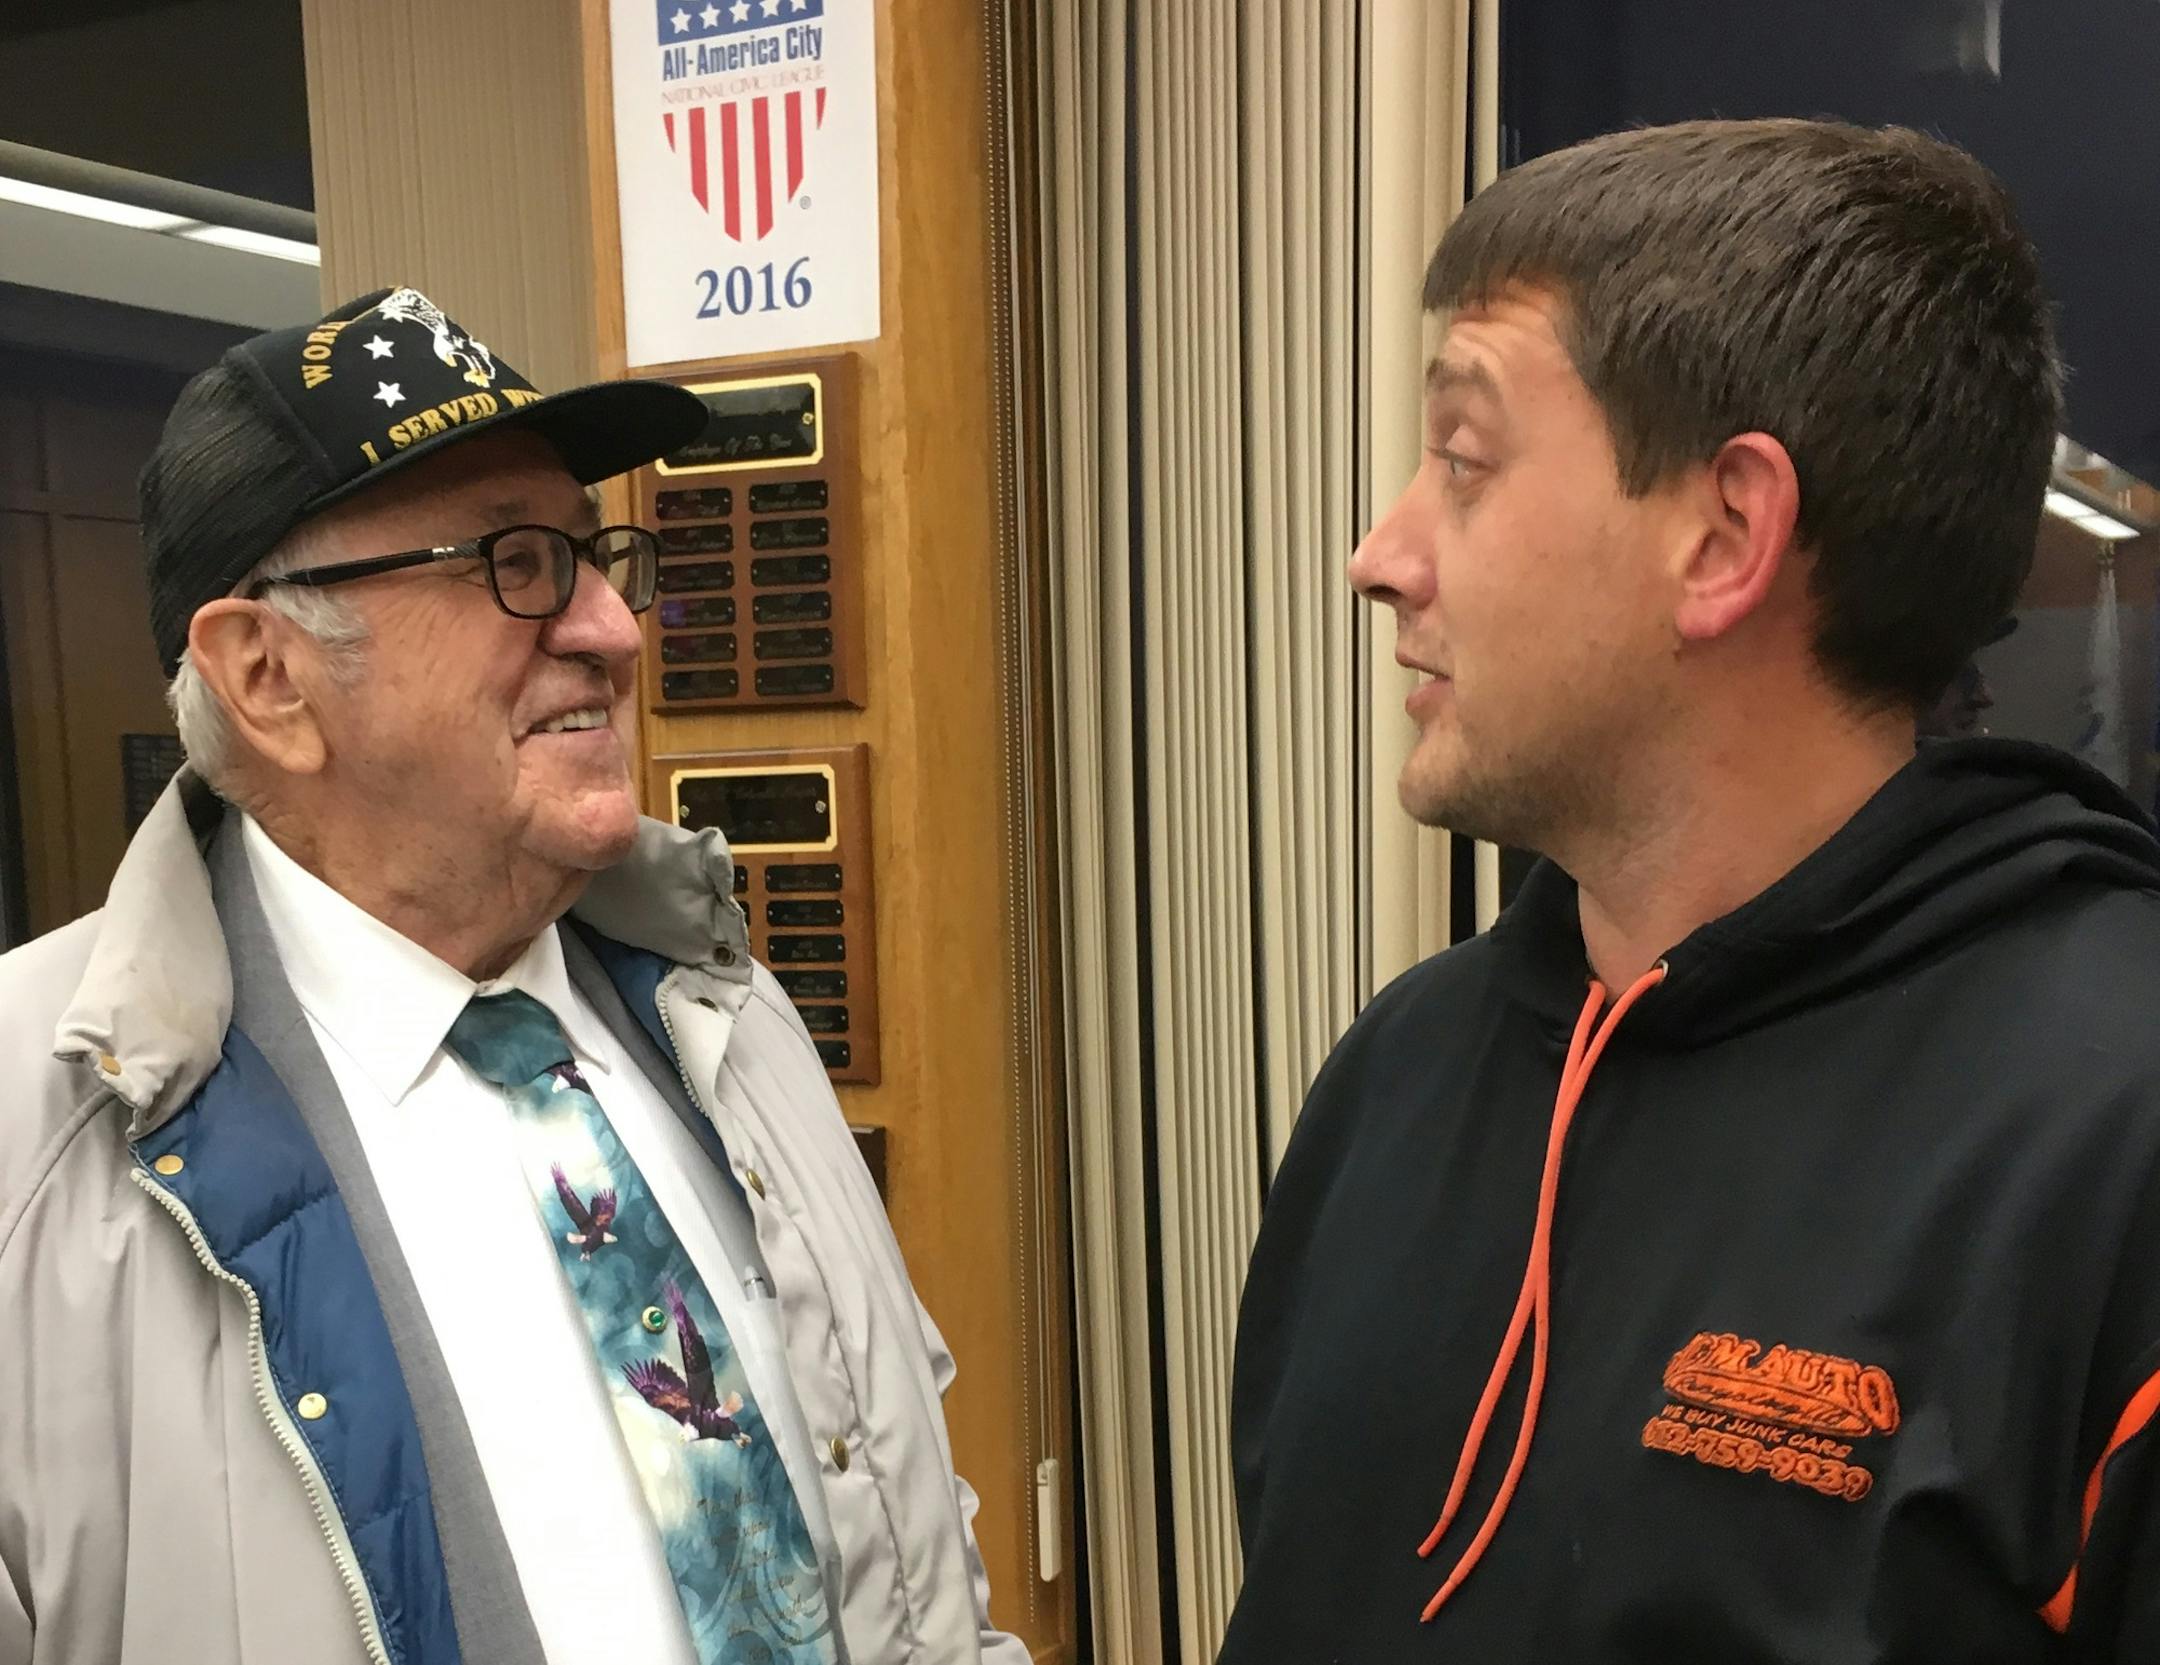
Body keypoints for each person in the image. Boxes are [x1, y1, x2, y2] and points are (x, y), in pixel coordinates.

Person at [1221, 119, 2160, 1662]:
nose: (1377, 555)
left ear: (1725, 534)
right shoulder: (1397, 1074)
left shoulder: (2112, 1141)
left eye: (1462, 458)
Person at [0, 288, 1025, 1665]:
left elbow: (907, 1540)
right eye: (517, 562)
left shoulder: (716, 1009)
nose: (614, 628)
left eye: (598, 557)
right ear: (266, 675)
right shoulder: (36, 1155)